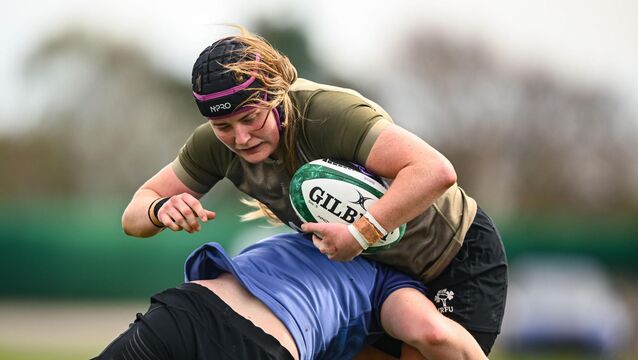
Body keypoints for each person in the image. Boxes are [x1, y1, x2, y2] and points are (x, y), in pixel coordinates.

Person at [121, 27, 506, 357]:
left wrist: (361, 232)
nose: (240, 137)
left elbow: (435, 171)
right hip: (372, 273)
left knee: (433, 339)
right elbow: (134, 215)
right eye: (223, 125)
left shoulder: (327, 115)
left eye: (250, 117)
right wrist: (159, 209)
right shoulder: (213, 145)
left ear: (274, 96)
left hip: (454, 255)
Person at [93, 233, 483, 360]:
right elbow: (431, 333)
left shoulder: (304, 233)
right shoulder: (390, 280)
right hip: (256, 345)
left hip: (186, 309)